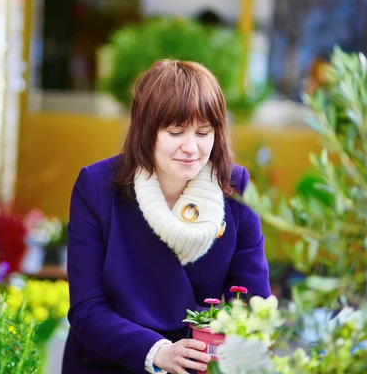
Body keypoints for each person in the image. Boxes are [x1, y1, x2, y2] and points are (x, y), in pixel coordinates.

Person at [63, 59, 271, 374]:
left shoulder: (236, 187)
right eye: (175, 132)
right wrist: (158, 352)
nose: (191, 147)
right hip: (112, 361)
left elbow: (254, 300)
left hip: (199, 365)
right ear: (145, 131)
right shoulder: (97, 186)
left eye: (204, 132)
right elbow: (87, 310)